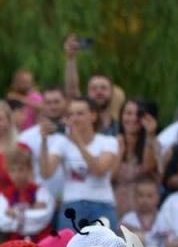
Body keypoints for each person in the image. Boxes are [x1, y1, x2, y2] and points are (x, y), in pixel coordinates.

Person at [42, 97, 120, 230]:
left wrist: (78, 141)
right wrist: (43, 141)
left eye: (80, 114)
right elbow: (47, 172)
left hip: (102, 203)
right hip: (72, 204)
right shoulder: (62, 142)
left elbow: (99, 170)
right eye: (71, 114)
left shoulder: (108, 142)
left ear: (93, 116)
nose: (74, 118)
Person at [112, 100, 161, 216]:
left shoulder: (153, 143)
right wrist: (120, 152)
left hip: (142, 210)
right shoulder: (111, 143)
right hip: (116, 206)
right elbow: (110, 177)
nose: (133, 119)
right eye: (128, 113)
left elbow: (148, 168)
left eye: (138, 115)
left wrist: (150, 134)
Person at [0, 146, 54, 240]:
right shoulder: (4, 195)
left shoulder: (41, 192)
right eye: (12, 170)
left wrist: (14, 214)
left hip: (41, 241)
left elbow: (42, 217)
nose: (16, 175)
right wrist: (31, 209)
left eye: (21, 169)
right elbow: (2, 224)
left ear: (29, 170)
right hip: (15, 243)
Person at [120, 177, 162, 247]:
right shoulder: (128, 219)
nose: (145, 200)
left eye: (149, 196)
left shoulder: (163, 218)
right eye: (141, 195)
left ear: (157, 198)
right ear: (135, 197)